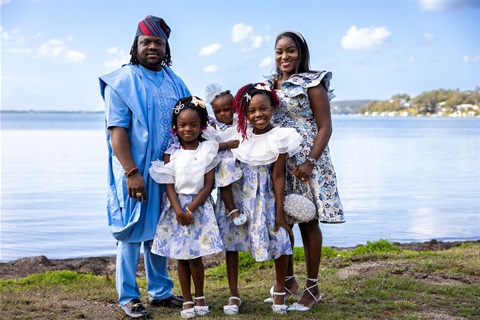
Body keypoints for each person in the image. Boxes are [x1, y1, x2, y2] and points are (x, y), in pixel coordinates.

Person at [99, 15, 190, 318]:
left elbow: (191, 120)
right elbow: (117, 131)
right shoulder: (122, 82)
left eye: (158, 43)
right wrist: (131, 172)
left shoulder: (174, 80)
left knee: (158, 231)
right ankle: (128, 297)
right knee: (130, 233)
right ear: (135, 45)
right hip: (134, 172)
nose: (152, 47)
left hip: (165, 172)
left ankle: (160, 292)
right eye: (146, 42)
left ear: (166, 47)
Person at [265, 30, 345, 312]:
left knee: (309, 222)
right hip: (280, 163)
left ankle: (312, 287)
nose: (284, 56)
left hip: (309, 162)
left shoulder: (313, 83)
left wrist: (310, 160)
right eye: (279, 51)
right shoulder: (268, 84)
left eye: (290, 51)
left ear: (301, 53)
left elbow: (325, 126)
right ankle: (288, 282)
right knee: (282, 221)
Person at [230, 82, 303, 314]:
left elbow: (278, 175)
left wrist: (280, 213)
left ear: (273, 108)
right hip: (243, 199)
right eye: (251, 111)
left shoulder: (279, 137)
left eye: (263, 109)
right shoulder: (241, 137)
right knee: (234, 243)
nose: (257, 114)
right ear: (245, 114)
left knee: (280, 239)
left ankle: (280, 292)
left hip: (268, 198)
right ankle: (233, 295)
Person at [149, 96, 224, 319]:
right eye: (182, 125)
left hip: (198, 207)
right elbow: (168, 184)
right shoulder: (170, 153)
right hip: (175, 209)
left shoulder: (208, 150)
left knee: (195, 257)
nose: (187, 129)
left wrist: (190, 209)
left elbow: (208, 185)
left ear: (201, 126)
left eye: (193, 124)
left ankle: (200, 296)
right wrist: (178, 210)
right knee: (181, 257)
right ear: (175, 127)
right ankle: (187, 299)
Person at [204, 83, 247, 316]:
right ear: (213, 111)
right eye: (218, 111)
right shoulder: (211, 130)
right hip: (225, 190)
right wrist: (225, 145)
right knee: (231, 244)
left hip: (247, 187)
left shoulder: (243, 124)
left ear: (235, 107)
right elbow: (206, 149)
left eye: (227, 109)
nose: (223, 114)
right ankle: (233, 293)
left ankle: (282, 287)